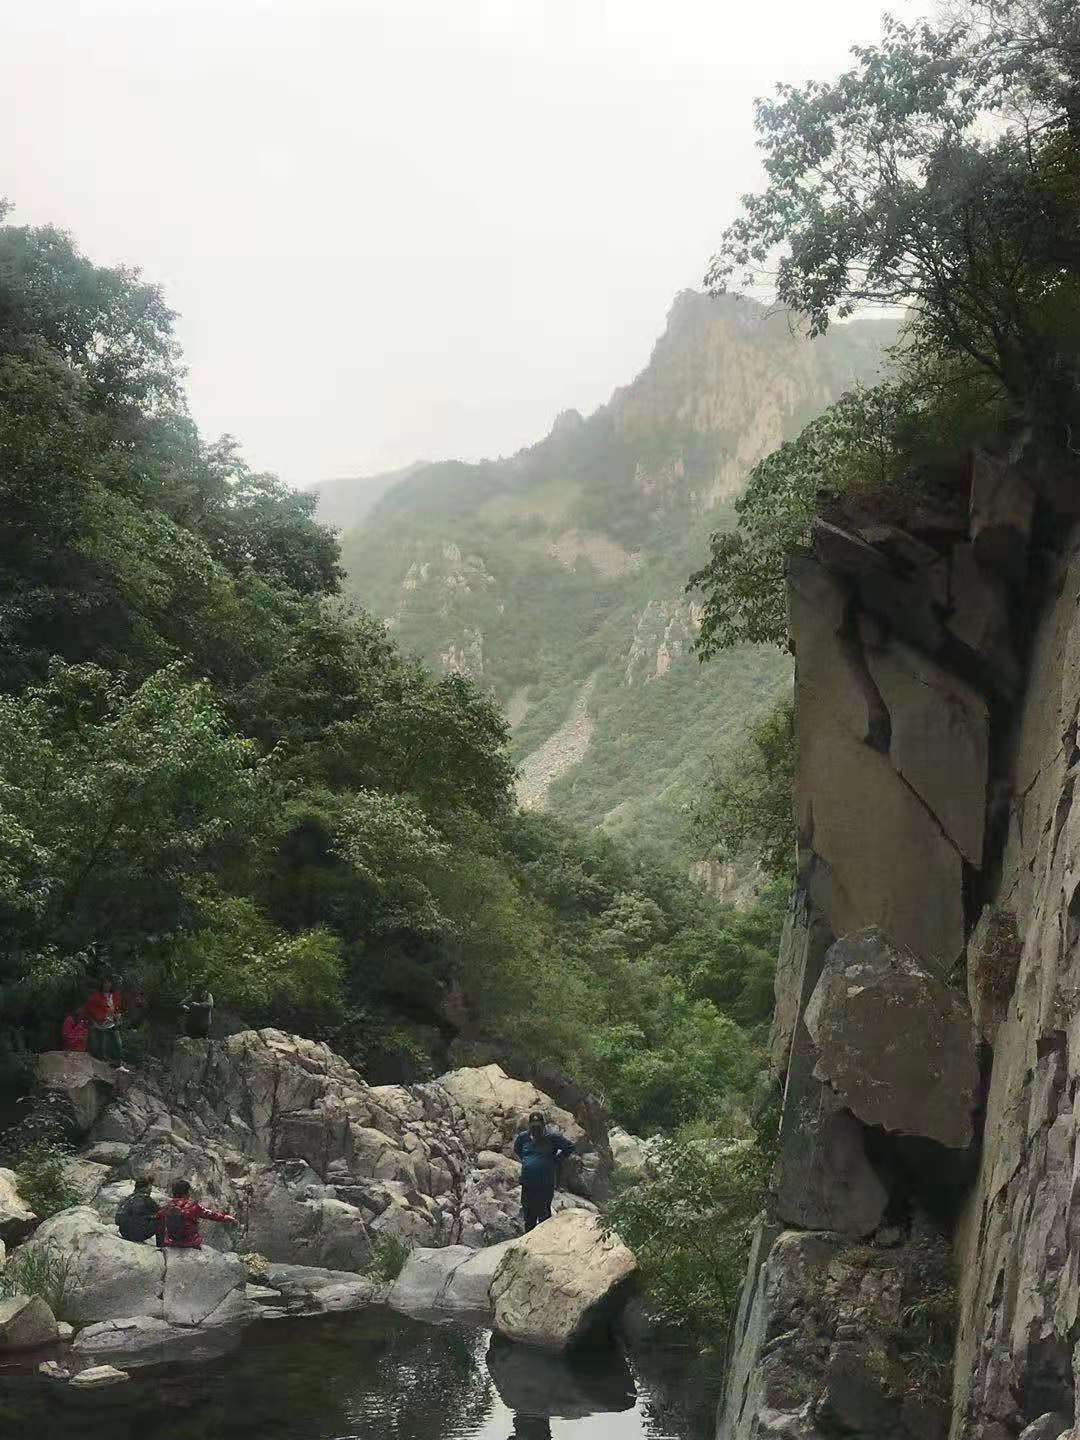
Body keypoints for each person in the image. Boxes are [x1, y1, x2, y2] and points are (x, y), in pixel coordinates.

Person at [513, 1110, 575, 1233]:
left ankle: (544, 1239)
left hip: (545, 1182)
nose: (536, 1128)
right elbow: (517, 1149)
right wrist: (527, 1161)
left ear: (543, 1125)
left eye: (538, 1125)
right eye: (533, 1125)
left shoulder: (552, 1137)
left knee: (544, 1214)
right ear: (529, 1125)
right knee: (529, 1215)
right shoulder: (523, 1137)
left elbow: (570, 1147)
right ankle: (528, 1242)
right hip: (528, 1182)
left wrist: (556, 1160)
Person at [156, 1179, 236, 1249]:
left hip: (171, 1241)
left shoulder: (166, 1206)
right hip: (190, 1242)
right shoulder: (193, 1206)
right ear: (187, 1192)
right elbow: (210, 1214)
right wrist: (225, 1217)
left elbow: (158, 1219)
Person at [81, 976, 123, 1063]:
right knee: (101, 1047)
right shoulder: (96, 996)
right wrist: (93, 1021)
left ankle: (117, 1061)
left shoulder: (115, 996)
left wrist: (118, 1016)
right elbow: (88, 1009)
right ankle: (102, 1062)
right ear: (102, 984)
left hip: (112, 1024)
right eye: (105, 983)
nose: (107, 985)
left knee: (118, 1044)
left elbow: (118, 1008)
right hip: (99, 1025)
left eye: (109, 983)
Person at [115, 1177, 159, 1243]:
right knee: (161, 1216)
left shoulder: (127, 1198)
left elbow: (117, 1221)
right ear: (144, 1188)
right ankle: (161, 1244)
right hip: (138, 1235)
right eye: (149, 1188)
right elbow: (159, 1211)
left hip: (124, 1233)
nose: (150, 1190)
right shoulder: (146, 1199)